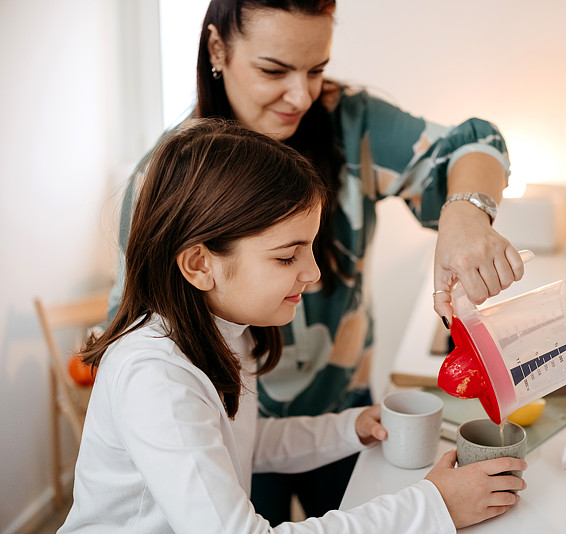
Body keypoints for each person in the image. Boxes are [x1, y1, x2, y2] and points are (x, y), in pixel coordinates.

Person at [107, 0, 525, 523]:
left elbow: (475, 144)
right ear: (217, 49)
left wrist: (465, 214)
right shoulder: (162, 373)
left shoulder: (349, 120)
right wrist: (433, 508)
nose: (302, 95)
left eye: (317, 69)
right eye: (273, 70)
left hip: (331, 413)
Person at [60, 119, 526, 533]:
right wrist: (435, 505)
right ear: (200, 264)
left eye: (309, 248)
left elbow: (242, 443)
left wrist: (353, 427)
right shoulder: (156, 378)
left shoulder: (220, 331)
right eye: (287, 255)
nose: (313, 272)